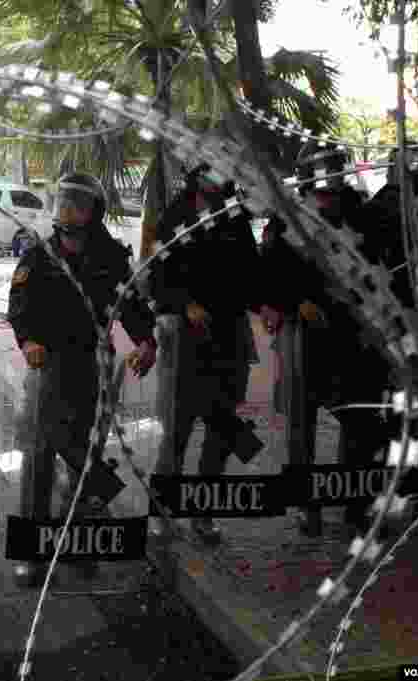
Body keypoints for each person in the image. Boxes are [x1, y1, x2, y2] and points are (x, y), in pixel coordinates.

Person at [7, 173, 158, 586]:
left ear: (94, 212)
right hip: (48, 365)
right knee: (38, 455)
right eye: (62, 202)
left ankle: (78, 537)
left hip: (92, 364)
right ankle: (32, 551)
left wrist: (146, 340)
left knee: (84, 455)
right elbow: (19, 304)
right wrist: (27, 340)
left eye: (76, 204)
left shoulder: (111, 255)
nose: (66, 211)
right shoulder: (40, 253)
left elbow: (131, 303)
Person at [261, 143, 387, 537]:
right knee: (301, 420)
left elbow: (380, 263)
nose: (326, 198)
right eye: (319, 189)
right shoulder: (286, 218)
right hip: (304, 331)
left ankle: (356, 505)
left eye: (332, 185)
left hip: (352, 329)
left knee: (360, 418)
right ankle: (306, 503)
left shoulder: (363, 215)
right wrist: (294, 301)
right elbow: (270, 270)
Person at [149, 162, 267, 543]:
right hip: (186, 338)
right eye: (212, 173)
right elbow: (156, 277)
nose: (219, 180)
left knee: (222, 427)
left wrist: (266, 302)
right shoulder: (174, 218)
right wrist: (185, 304)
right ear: (197, 176)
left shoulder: (234, 217)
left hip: (229, 334)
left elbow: (251, 273)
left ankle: (204, 513)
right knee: (177, 429)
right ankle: (163, 510)